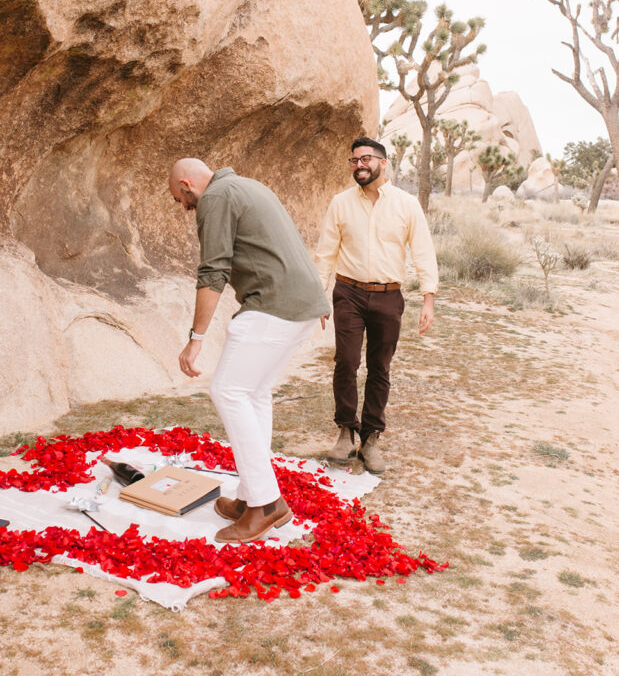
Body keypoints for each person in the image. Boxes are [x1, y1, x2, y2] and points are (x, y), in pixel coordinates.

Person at [169, 158, 329, 543]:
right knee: (254, 393)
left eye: (180, 199)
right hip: (301, 305)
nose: (184, 207)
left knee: (228, 391)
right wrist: (316, 300)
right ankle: (249, 496)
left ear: (187, 186)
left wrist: (196, 337)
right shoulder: (249, 185)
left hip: (274, 306)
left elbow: (214, 272)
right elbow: (289, 244)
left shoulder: (216, 198)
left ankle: (266, 505)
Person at [314, 137, 438, 475]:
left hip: (388, 296)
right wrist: (317, 295)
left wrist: (428, 298)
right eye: (354, 161)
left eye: (366, 159)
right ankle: (344, 431)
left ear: (383, 163)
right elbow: (326, 252)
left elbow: (423, 250)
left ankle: (370, 439)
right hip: (348, 293)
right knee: (346, 361)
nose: (359, 165)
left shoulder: (407, 204)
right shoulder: (340, 203)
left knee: (380, 368)